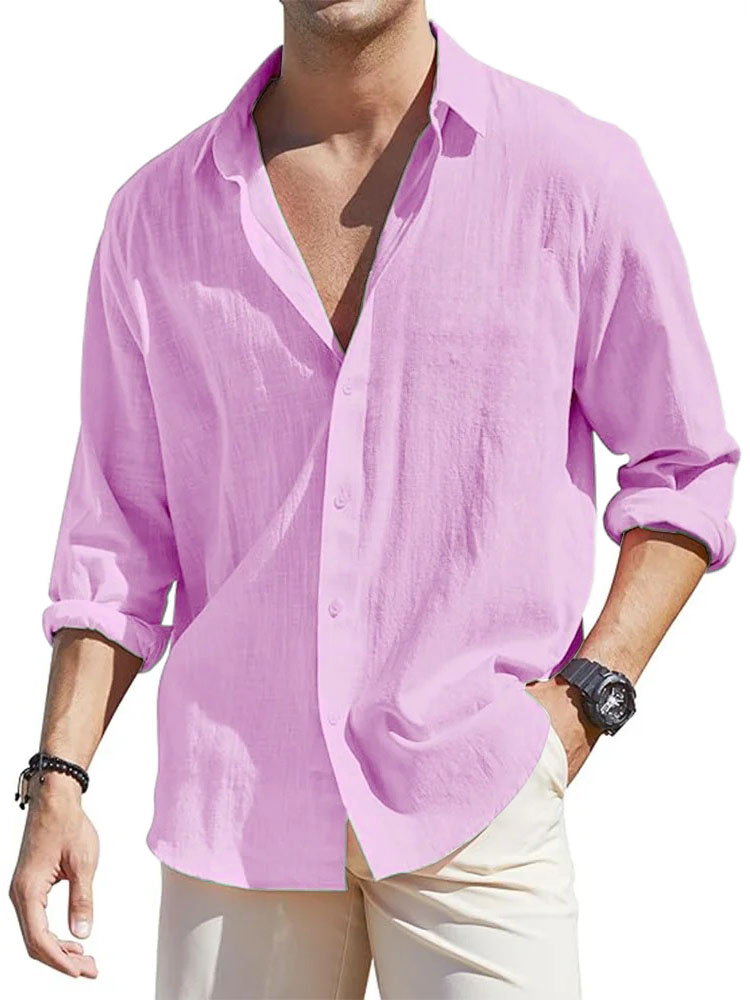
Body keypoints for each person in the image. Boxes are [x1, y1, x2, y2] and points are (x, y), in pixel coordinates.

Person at [9, 2, 740, 997]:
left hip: (476, 796)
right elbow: (118, 538)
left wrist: (585, 700)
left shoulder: (573, 174)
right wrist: (59, 777)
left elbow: (684, 463)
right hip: (240, 815)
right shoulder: (156, 217)